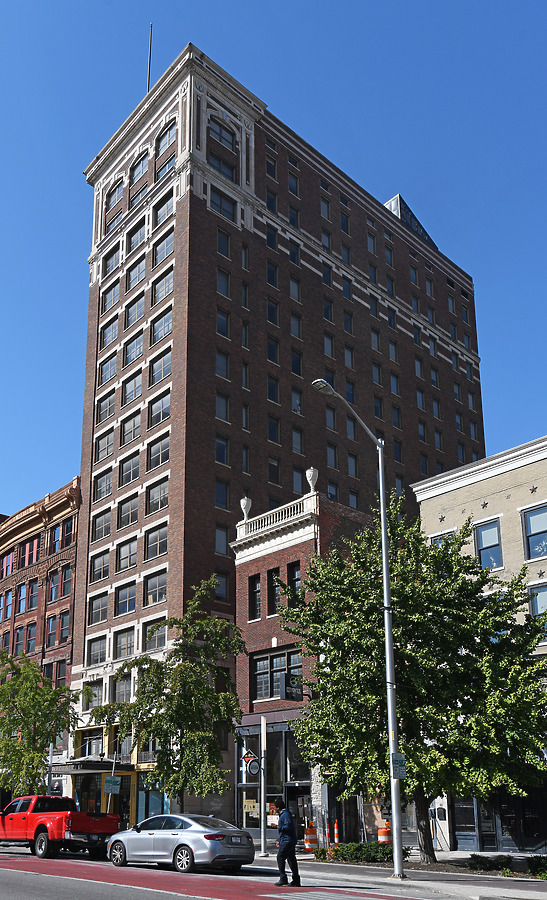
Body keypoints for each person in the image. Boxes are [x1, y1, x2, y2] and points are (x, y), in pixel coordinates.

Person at [274, 796, 300, 887]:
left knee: (280, 857)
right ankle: (296, 880)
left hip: (287, 841)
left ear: (278, 808)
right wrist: (279, 840)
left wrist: (278, 827)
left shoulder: (285, 815)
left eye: (275, 807)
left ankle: (283, 878)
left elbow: (287, 827)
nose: (274, 809)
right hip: (287, 840)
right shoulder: (285, 814)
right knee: (291, 859)